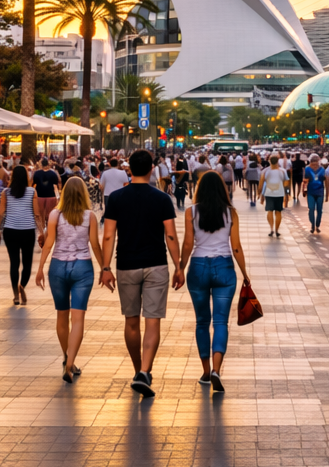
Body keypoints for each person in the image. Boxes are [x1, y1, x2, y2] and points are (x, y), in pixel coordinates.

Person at [100, 149, 182, 397]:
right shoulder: (162, 199)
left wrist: (105, 268)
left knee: (131, 321)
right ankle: (145, 371)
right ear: (150, 170)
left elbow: (108, 235)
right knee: (153, 320)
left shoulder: (115, 198)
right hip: (156, 264)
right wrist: (179, 266)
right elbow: (170, 235)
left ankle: (138, 370)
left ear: (129, 170)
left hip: (126, 264)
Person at [179, 171, 250, 394]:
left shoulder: (191, 212)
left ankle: (206, 371)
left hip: (198, 267)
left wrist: (180, 268)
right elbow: (236, 246)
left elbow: (188, 243)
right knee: (220, 322)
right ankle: (218, 369)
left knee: (202, 322)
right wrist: (245, 273)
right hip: (224, 268)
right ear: (222, 189)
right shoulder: (231, 213)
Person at [35, 176, 106, 383]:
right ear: (83, 193)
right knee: (78, 319)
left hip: (57, 266)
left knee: (61, 316)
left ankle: (67, 357)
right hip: (82, 267)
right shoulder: (90, 216)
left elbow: (49, 243)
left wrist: (40, 268)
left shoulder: (55, 214)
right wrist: (104, 267)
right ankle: (70, 362)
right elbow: (95, 244)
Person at [0, 165, 41, 305]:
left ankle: (15, 295)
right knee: (27, 263)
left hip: (10, 230)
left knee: (14, 262)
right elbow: (37, 214)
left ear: (13, 176)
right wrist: (42, 232)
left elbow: (1, 213)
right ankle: (22, 286)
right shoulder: (32, 191)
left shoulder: (6, 192)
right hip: (27, 230)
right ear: (26, 177)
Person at [32, 157, 61, 241]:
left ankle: (42, 231)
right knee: (50, 215)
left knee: (40, 215)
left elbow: (33, 184)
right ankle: (49, 231)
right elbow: (57, 183)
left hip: (39, 195)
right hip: (51, 195)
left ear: (41, 164)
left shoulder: (36, 173)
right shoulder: (53, 173)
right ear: (48, 164)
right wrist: (58, 195)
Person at [260, 154, 289, 237]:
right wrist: (286, 194)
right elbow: (286, 183)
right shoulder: (283, 171)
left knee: (270, 211)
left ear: (269, 161)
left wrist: (261, 194)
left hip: (269, 194)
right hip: (279, 193)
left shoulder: (265, 171)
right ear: (278, 161)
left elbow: (262, 184)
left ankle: (271, 228)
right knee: (278, 211)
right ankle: (277, 230)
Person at [303, 153, 326, 233]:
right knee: (311, 208)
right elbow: (305, 180)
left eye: (316, 162)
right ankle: (313, 224)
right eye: (313, 162)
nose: (315, 164)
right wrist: (304, 189)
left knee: (319, 209)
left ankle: (317, 225)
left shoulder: (322, 169)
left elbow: (325, 179)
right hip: (311, 192)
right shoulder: (307, 169)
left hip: (320, 191)